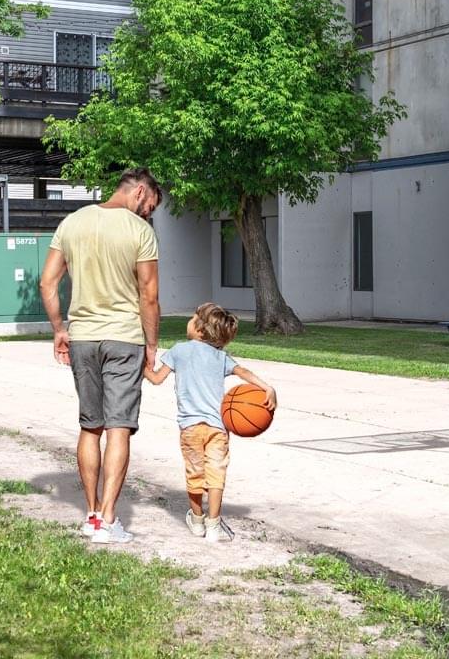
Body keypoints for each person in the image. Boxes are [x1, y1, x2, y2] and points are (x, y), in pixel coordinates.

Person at [40, 168, 163, 544]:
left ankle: (91, 515)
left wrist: (60, 328)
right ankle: (110, 520)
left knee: (90, 427)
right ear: (139, 191)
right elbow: (149, 295)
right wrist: (152, 346)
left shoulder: (72, 222)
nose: (148, 215)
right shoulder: (140, 232)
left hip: (83, 339)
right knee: (119, 428)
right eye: (150, 208)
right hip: (125, 338)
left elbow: (47, 282)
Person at [143, 302, 276, 542]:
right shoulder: (220, 356)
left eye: (192, 318)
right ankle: (213, 524)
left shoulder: (179, 350)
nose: (189, 322)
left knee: (195, 474)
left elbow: (155, 378)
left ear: (200, 328)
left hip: (191, 427)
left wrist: (142, 363)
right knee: (216, 475)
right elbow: (243, 372)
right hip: (218, 428)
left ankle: (196, 520)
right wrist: (267, 387)